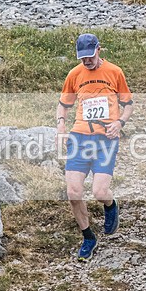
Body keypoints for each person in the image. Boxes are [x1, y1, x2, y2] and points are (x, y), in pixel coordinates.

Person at [56, 33, 134, 261]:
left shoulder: (115, 72)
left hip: (106, 140)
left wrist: (120, 122)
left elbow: (128, 104)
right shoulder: (74, 74)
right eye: (82, 58)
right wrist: (61, 129)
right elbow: (62, 106)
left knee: (99, 192)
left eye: (90, 56)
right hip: (80, 138)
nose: (87, 62)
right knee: (73, 193)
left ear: (99, 49)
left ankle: (110, 205)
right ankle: (88, 237)